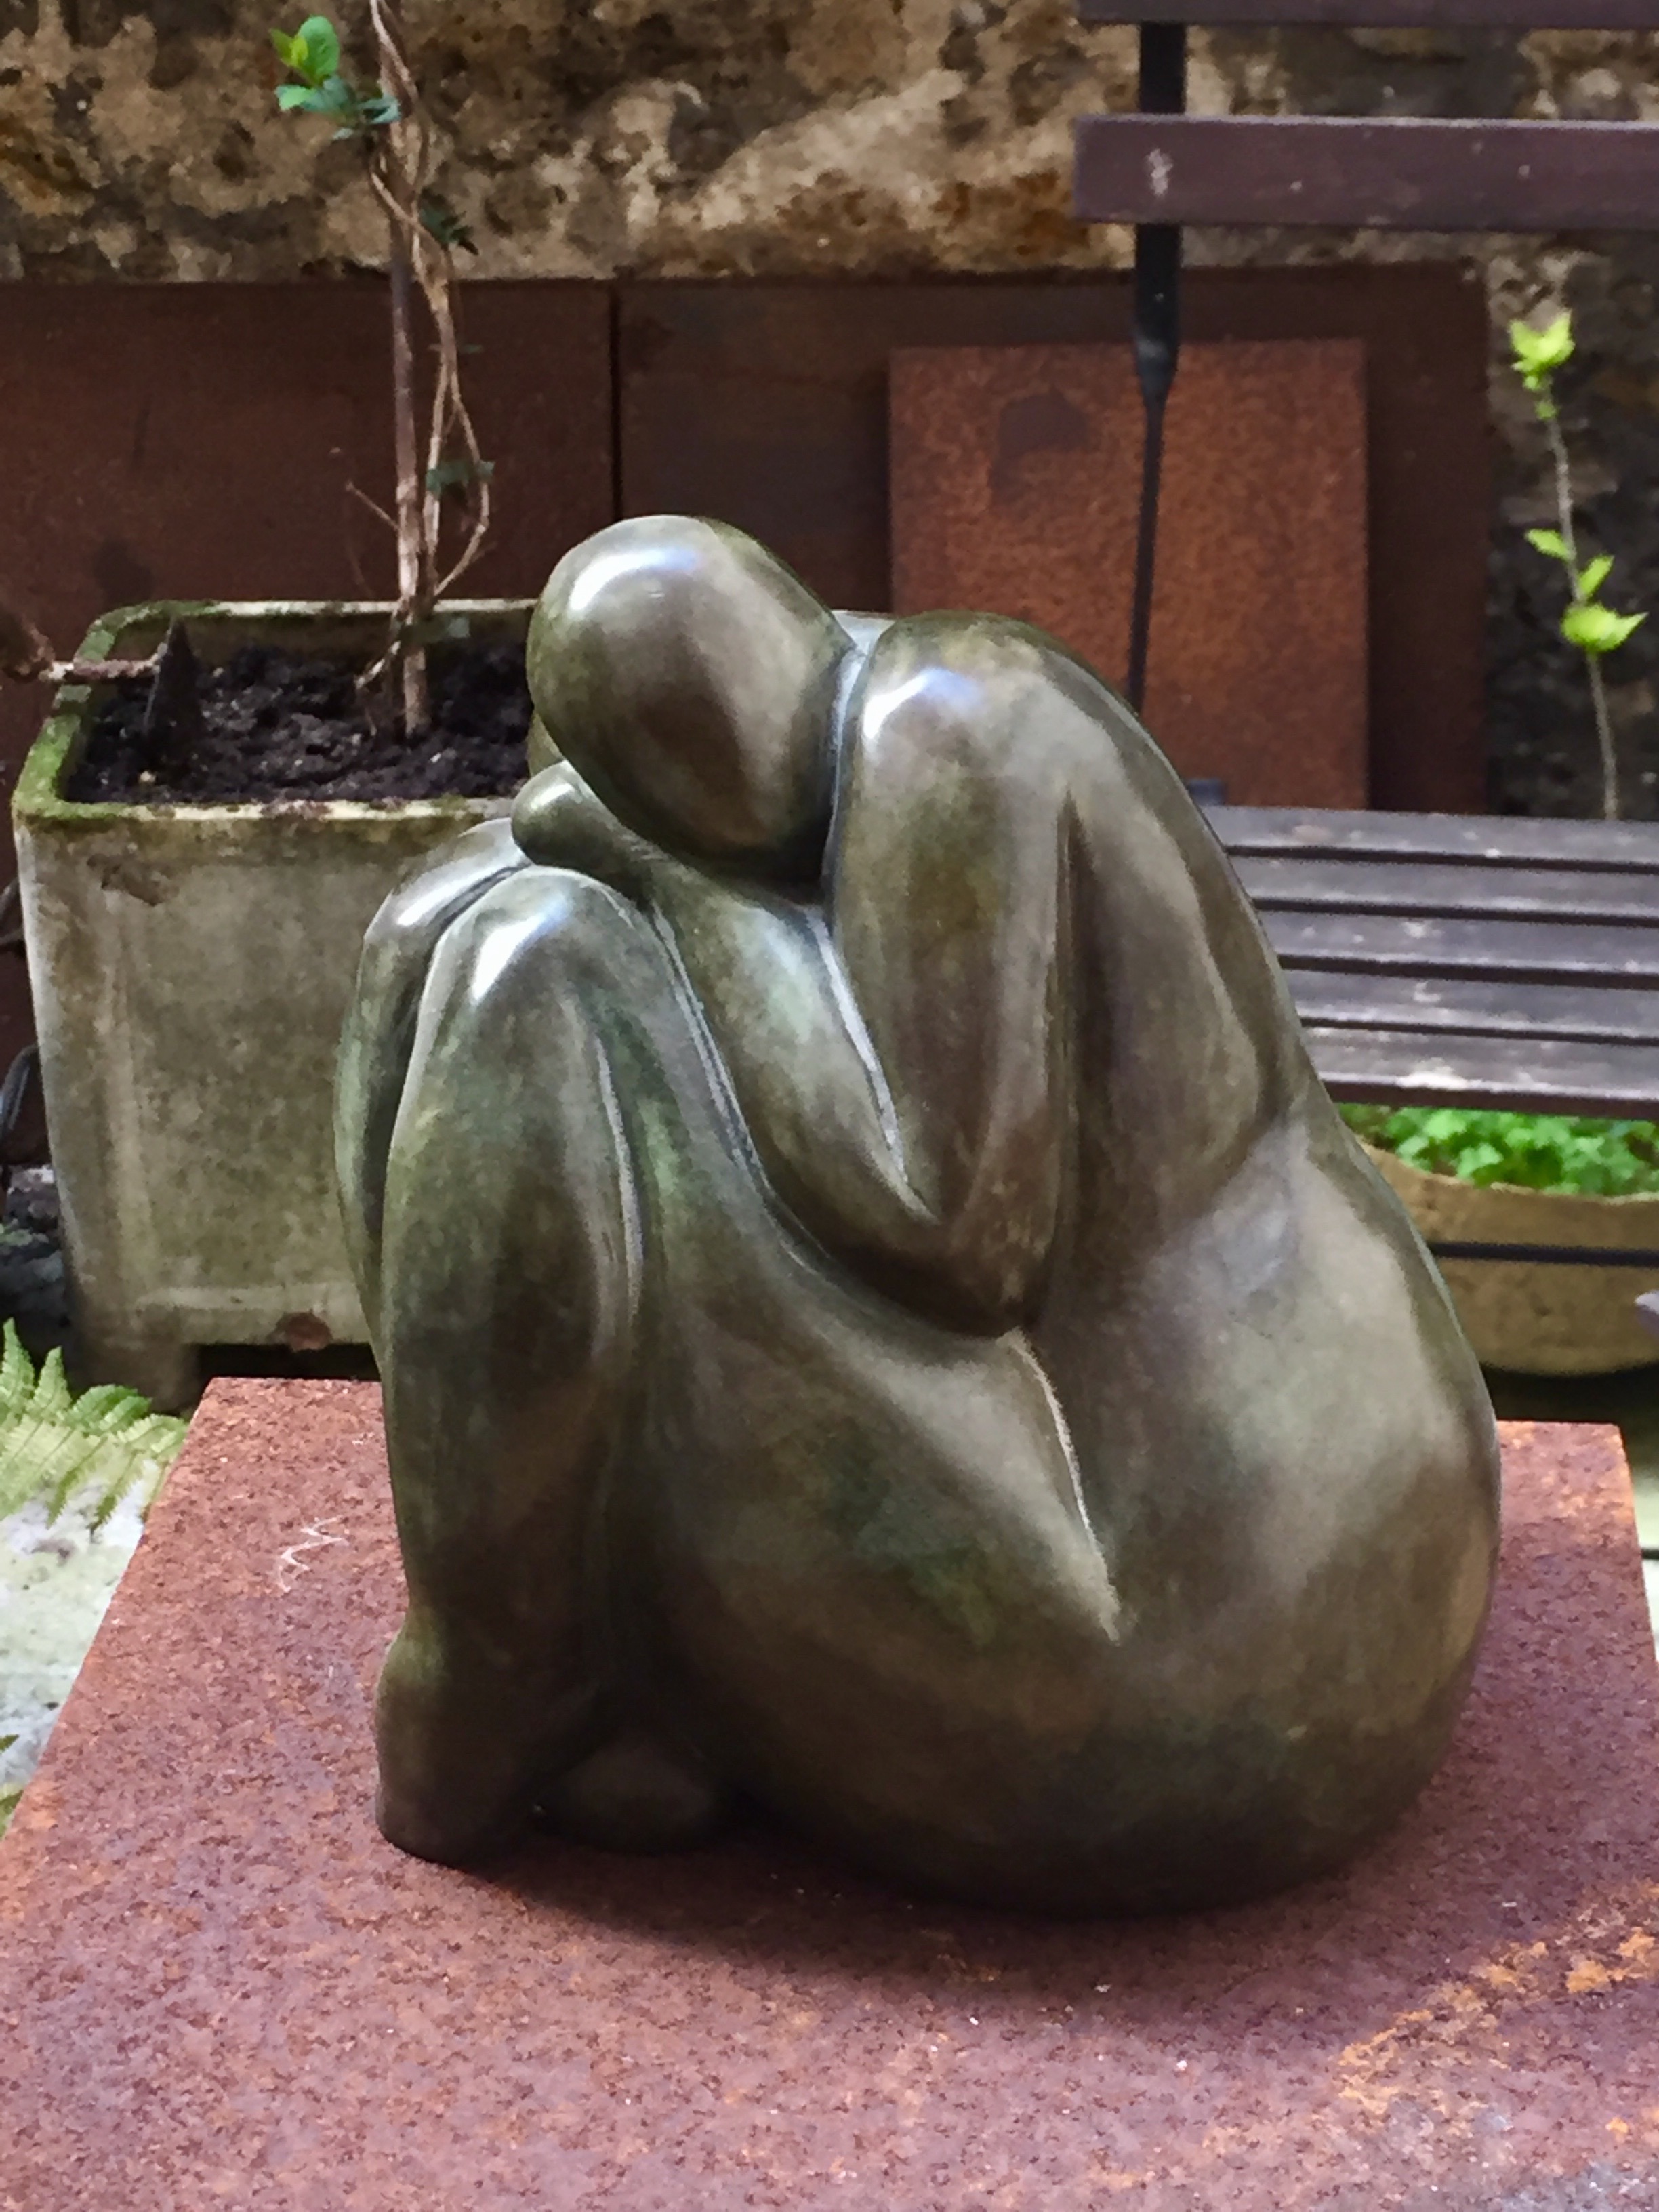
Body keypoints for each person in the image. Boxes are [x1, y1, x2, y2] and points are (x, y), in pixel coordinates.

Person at [336, 517, 1500, 1914]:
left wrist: (671, 875)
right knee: (443, 914)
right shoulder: (891, 718)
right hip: (1333, 1571)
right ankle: (631, 1687)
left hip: (1198, 1628)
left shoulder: (953, 721)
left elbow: (950, 1227)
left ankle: (494, 1672)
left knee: (533, 962)